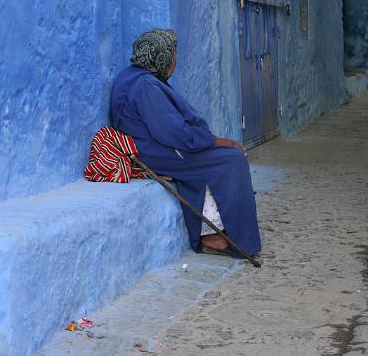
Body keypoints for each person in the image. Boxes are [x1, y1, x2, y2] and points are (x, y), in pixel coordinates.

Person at [109, 29, 261, 257]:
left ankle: (214, 231)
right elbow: (172, 133)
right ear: (161, 57)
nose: (175, 61)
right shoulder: (146, 87)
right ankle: (229, 239)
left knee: (222, 157)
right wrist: (215, 142)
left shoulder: (136, 77)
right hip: (154, 151)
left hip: (154, 146)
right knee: (231, 160)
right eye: (173, 55)